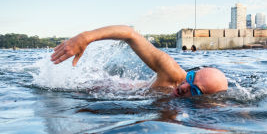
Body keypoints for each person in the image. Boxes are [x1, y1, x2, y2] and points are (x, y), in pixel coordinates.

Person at [51, 25, 228, 97]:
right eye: (190, 79)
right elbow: (130, 34)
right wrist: (85, 37)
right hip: (106, 87)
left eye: (195, 91)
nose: (183, 87)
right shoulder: (171, 72)